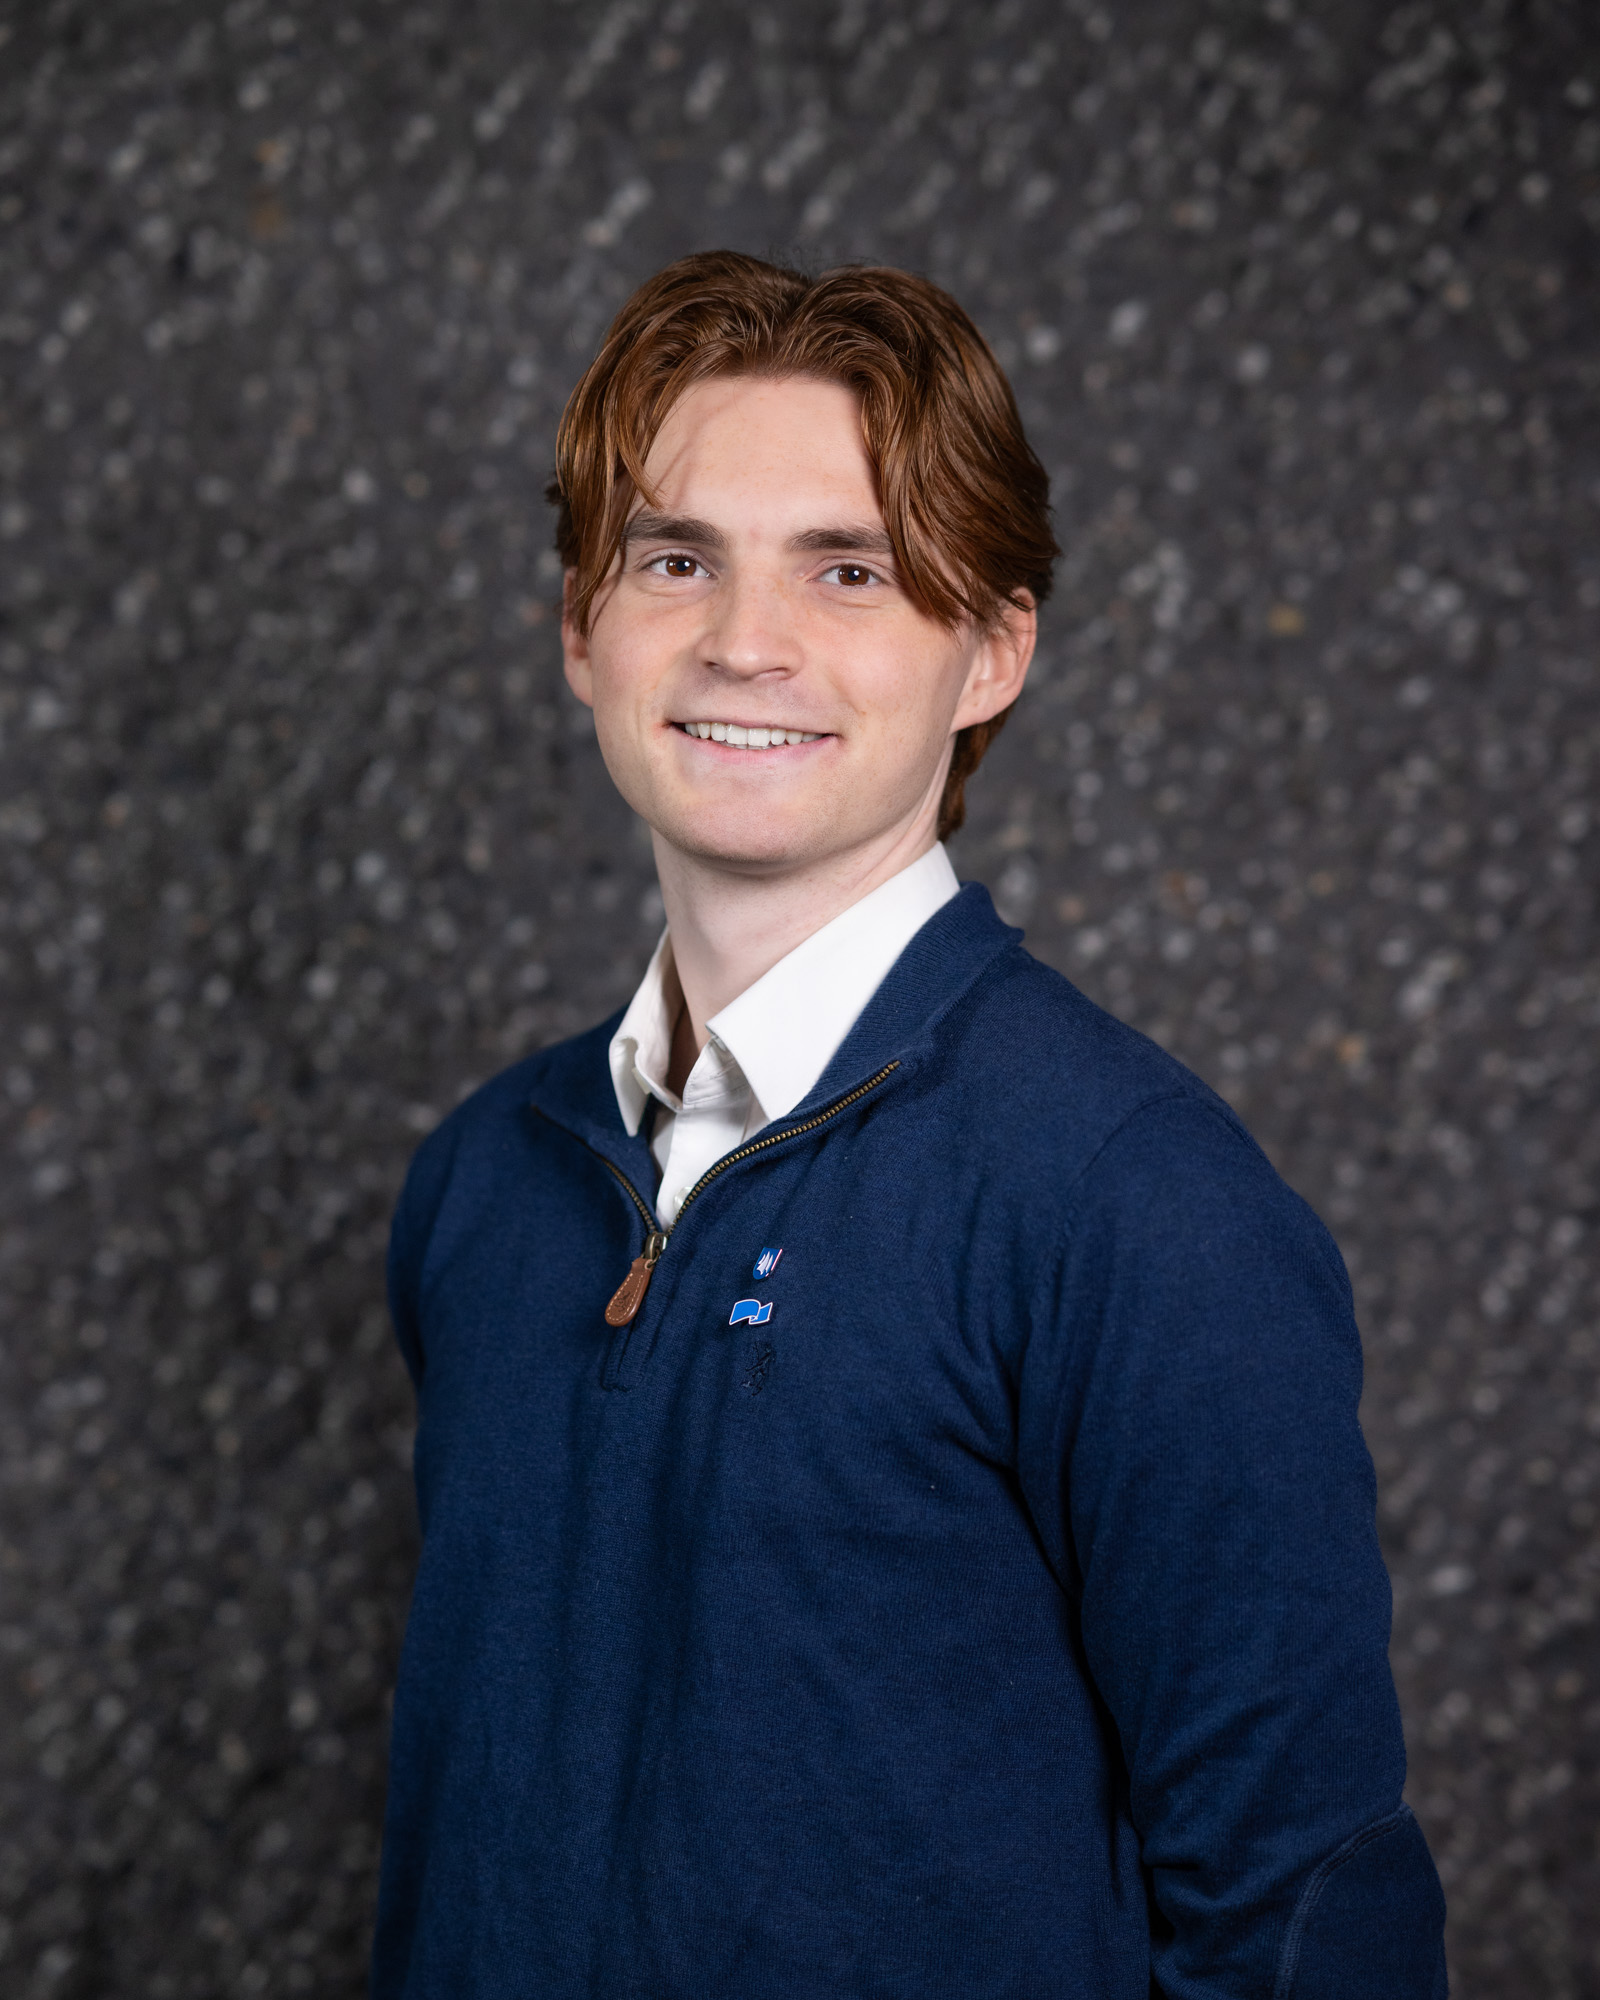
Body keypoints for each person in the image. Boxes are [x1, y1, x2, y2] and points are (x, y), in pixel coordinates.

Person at [371, 251, 1447, 1999]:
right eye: (674, 558)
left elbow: (1301, 1916)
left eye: (850, 569)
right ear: (582, 628)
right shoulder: (485, 1181)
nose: (745, 641)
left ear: (991, 651)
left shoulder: (1135, 1206)